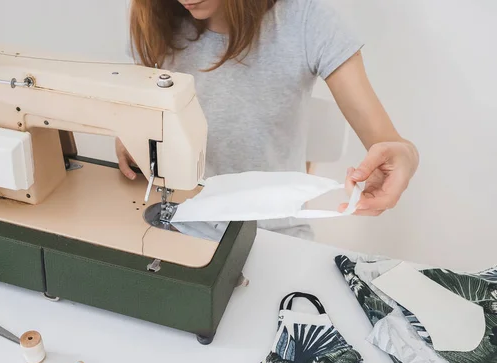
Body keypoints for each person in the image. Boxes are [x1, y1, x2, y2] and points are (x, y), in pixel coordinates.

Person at [116, 0, 419, 238]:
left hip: (272, 233)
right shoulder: (155, 16)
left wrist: (405, 155)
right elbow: (143, 112)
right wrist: (132, 136)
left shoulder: (306, 22)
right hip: (178, 221)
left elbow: (389, 145)